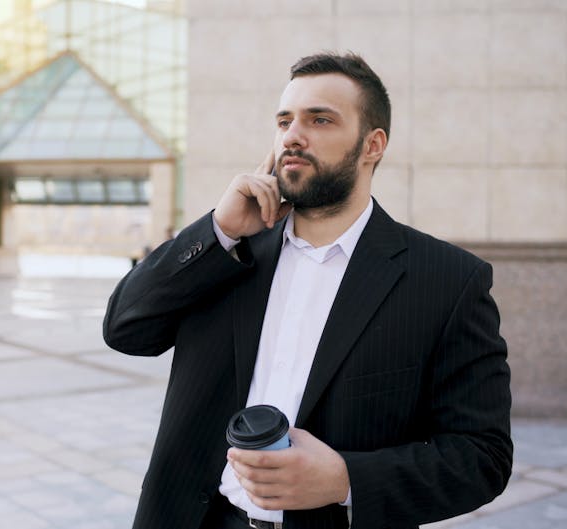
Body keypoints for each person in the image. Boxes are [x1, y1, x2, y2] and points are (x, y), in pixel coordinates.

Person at [103, 52, 512, 529]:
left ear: (372, 145)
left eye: (320, 119)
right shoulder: (230, 252)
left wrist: (346, 479)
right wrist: (219, 229)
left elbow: (482, 456)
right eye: (284, 121)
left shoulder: (447, 280)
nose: (293, 136)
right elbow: (125, 330)